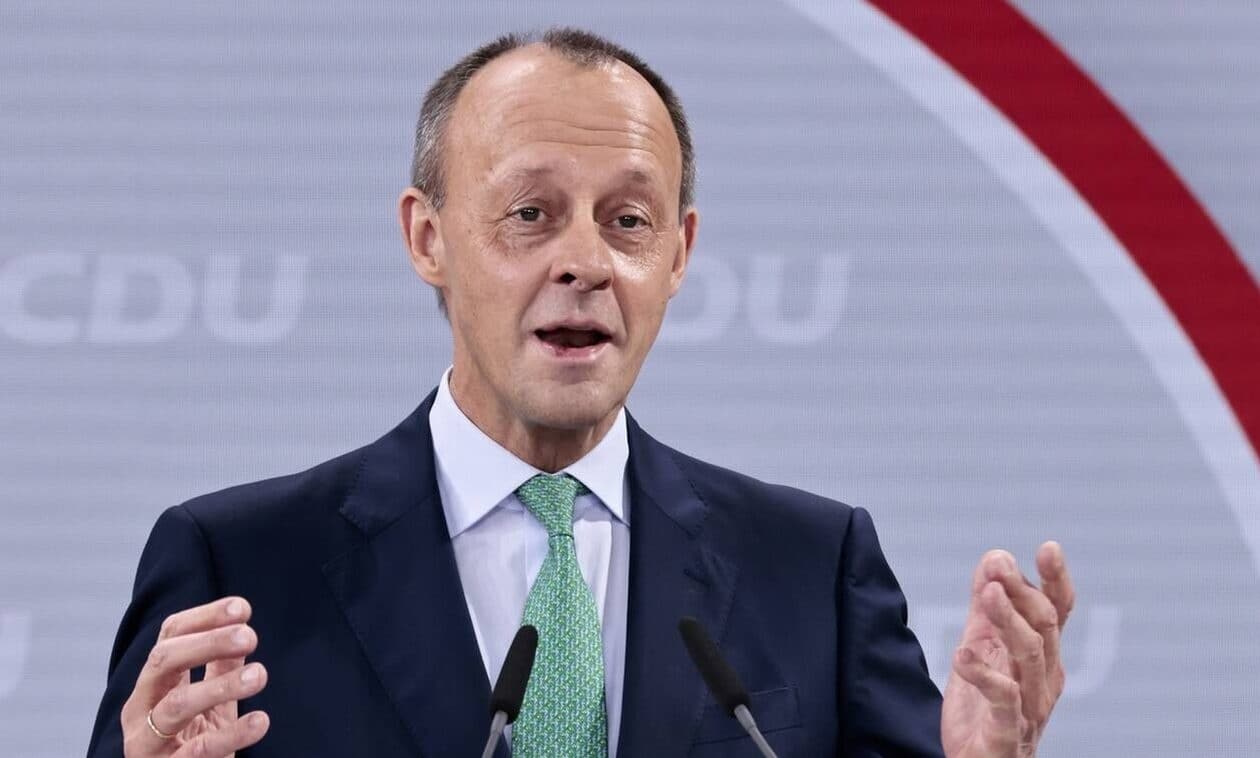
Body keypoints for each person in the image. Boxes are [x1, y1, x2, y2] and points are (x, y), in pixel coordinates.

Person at [86, 27, 1075, 758]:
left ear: (678, 254)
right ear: (427, 237)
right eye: (531, 213)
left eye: (628, 221)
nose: (585, 262)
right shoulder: (242, 570)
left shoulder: (812, 569)